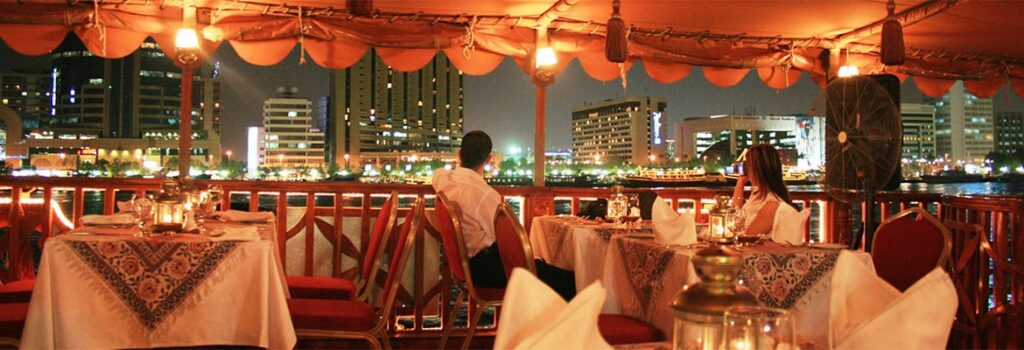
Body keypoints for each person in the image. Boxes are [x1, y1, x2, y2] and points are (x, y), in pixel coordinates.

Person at [432, 131, 575, 299]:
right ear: (488, 160)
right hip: (487, 270)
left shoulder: (443, 179)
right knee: (570, 281)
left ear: (459, 155)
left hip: (465, 266)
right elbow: (505, 238)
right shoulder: (484, 194)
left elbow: (438, 172)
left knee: (547, 269)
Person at [731, 144, 799, 238]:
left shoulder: (772, 204)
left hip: (754, 252)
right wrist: (740, 182)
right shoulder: (758, 195)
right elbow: (734, 216)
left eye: (748, 165)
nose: (745, 169)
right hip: (747, 250)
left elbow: (747, 238)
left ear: (758, 169)